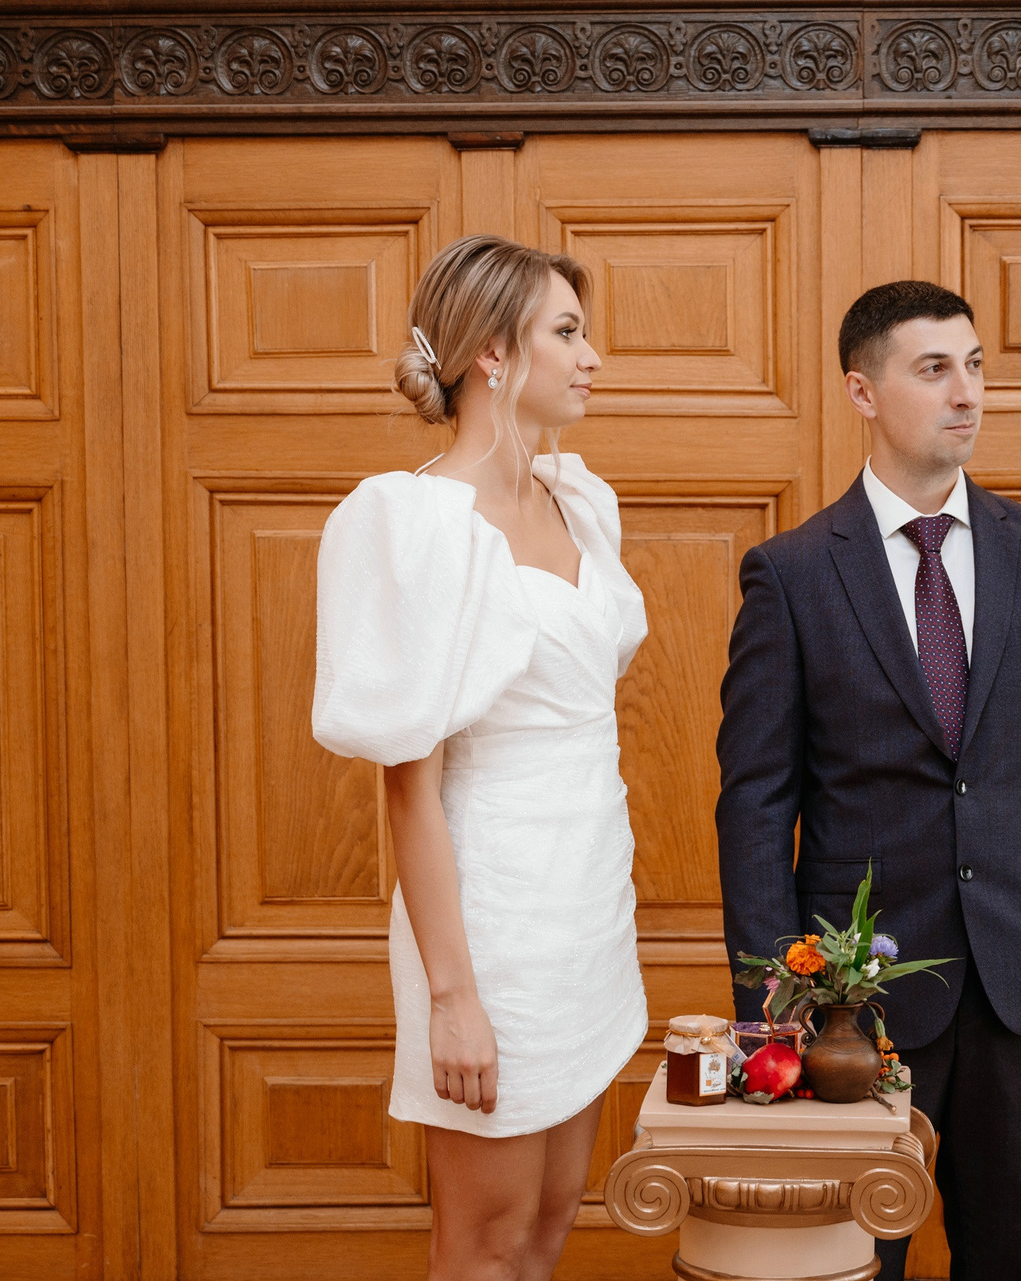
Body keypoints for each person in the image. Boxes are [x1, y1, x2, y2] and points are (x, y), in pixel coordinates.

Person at [715, 280, 1021, 1280]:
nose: (968, 392)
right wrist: (770, 1002)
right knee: (852, 1264)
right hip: (851, 1004)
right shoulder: (791, 574)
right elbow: (755, 805)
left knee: (1007, 1260)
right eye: (935, 369)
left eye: (976, 366)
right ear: (863, 392)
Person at [312, 234, 648, 1281]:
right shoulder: (417, 524)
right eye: (568, 332)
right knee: (485, 1248)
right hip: (492, 924)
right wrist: (453, 996)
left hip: (590, 908)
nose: (592, 357)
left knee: (545, 1234)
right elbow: (407, 789)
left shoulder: (579, 501)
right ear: (492, 354)